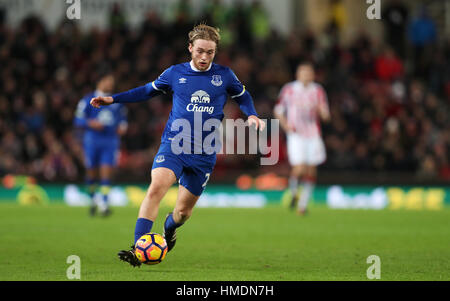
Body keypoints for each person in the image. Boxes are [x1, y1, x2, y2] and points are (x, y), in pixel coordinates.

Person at [90, 24, 265, 267]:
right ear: (190, 48)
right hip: (175, 144)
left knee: (182, 213)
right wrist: (113, 99)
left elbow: (243, 96)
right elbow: (146, 91)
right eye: (200, 51)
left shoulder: (225, 75)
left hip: (204, 153)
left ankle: (169, 229)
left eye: (210, 53)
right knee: (156, 188)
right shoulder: (175, 74)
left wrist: (252, 114)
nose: (204, 57)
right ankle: (139, 246)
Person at [273, 62, 330, 215]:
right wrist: (286, 126)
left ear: (313, 75)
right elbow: (278, 110)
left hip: (313, 135)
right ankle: (293, 193)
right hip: (296, 134)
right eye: (303, 73)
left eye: (308, 73)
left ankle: (302, 206)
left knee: (311, 170)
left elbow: (325, 113)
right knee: (300, 168)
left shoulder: (318, 91)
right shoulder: (289, 89)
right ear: (298, 75)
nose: (306, 76)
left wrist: (323, 113)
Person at [74, 71, 128, 217]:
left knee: (106, 172)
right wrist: (90, 123)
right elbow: (78, 120)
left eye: (112, 82)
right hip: (92, 140)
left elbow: (123, 121)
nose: (110, 84)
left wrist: (122, 127)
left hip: (110, 141)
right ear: (100, 82)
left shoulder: (116, 102)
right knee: (91, 171)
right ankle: (92, 200)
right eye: (107, 81)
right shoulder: (87, 100)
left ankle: (104, 204)